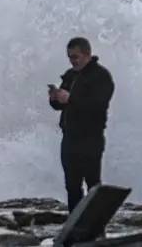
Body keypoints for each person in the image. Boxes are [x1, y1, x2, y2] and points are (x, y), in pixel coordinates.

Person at [48, 36, 115, 212]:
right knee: (72, 185)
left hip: (90, 138)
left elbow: (98, 103)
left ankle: (96, 225)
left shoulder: (101, 76)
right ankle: (75, 225)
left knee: (93, 185)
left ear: (87, 54)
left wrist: (70, 98)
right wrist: (55, 98)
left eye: (75, 57)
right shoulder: (70, 76)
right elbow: (60, 105)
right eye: (69, 57)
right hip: (70, 138)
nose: (72, 61)